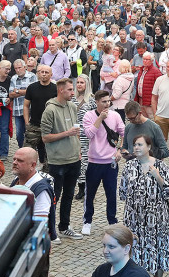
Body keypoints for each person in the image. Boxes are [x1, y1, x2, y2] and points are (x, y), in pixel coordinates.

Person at [119, 134, 169, 277]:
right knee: (133, 251)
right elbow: (122, 193)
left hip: (156, 219)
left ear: (149, 147)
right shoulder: (129, 167)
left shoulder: (161, 166)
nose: (136, 147)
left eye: (140, 145)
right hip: (134, 219)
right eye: (135, 145)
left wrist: (158, 177)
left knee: (157, 250)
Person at [41, 78, 83, 241]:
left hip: (74, 158)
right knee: (54, 196)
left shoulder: (72, 107)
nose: (73, 92)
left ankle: (64, 226)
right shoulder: (50, 110)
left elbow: (76, 130)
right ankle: (50, 230)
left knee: (69, 195)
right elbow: (45, 138)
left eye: (73, 90)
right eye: (70, 90)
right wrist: (67, 133)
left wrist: (78, 149)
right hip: (57, 161)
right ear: (60, 90)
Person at [82, 90, 125, 235]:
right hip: (94, 161)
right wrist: (99, 119)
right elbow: (89, 134)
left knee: (111, 193)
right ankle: (87, 221)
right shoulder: (89, 116)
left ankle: (112, 220)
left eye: (108, 101)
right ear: (97, 102)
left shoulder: (115, 115)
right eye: (104, 101)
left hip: (111, 162)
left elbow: (124, 133)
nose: (107, 104)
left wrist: (119, 150)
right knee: (90, 193)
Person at [24, 65, 57, 166]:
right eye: (42, 72)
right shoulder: (31, 88)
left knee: (50, 156)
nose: (44, 74)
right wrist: (27, 122)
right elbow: (26, 106)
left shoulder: (55, 89)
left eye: (46, 72)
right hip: (34, 125)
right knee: (26, 153)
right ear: (38, 73)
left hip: (50, 126)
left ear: (51, 75)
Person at [73, 74, 96, 201]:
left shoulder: (91, 100)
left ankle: (86, 187)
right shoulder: (72, 99)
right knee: (77, 160)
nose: (79, 84)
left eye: (82, 82)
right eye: (78, 82)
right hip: (74, 133)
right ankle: (80, 185)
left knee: (86, 161)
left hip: (87, 134)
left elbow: (96, 118)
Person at [9, 59, 37, 149]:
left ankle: (31, 150)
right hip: (18, 110)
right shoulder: (13, 78)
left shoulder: (32, 76)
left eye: (19, 68)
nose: (18, 70)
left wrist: (17, 91)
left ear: (24, 67)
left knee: (31, 132)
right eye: (16, 68)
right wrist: (25, 91)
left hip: (31, 109)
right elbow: (10, 94)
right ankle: (22, 149)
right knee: (19, 134)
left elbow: (33, 91)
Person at [133, 52, 161, 118]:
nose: (145, 61)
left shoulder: (156, 71)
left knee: (152, 120)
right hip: (141, 100)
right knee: (142, 120)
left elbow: (160, 87)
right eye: (144, 59)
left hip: (150, 102)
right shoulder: (141, 70)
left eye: (147, 59)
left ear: (152, 61)